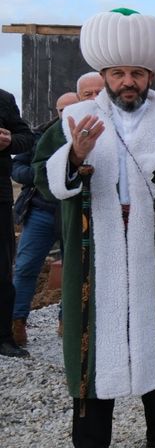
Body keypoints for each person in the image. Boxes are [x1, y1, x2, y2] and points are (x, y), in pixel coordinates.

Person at [34, 8, 155, 448]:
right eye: (118, 73)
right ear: (105, 75)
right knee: (92, 341)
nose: (128, 82)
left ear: (150, 76)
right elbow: (43, 177)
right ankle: (91, 447)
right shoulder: (75, 117)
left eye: (137, 73)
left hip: (149, 243)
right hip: (95, 250)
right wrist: (74, 155)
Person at [10, 92, 78, 348]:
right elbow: (17, 168)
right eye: (62, 110)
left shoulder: (94, 133)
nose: (67, 114)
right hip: (41, 210)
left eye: (72, 108)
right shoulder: (39, 135)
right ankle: (16, 323)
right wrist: (42, 175)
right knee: (26, 266)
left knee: (75, 268)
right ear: (56, 111)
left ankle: (68, 321)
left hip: (75, 212)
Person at [1, 86, 36, 358]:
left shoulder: (3, 99)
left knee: (2, 269)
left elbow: (27, 138)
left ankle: (3, 337)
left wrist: (10, 141)